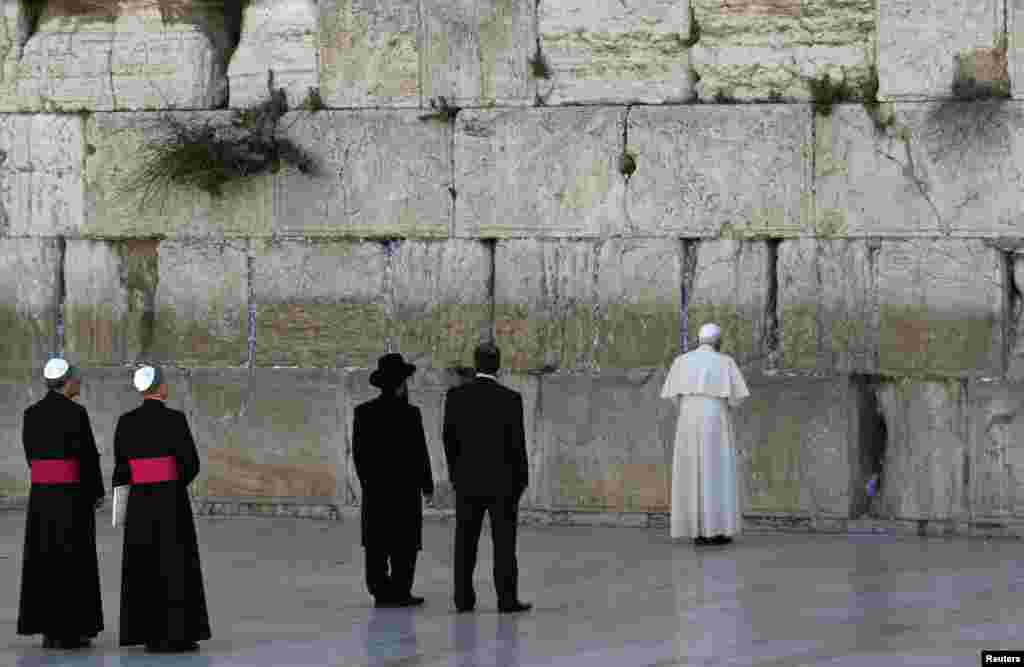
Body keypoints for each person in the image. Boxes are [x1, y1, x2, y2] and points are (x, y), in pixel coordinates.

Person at [112, 365, 211, 653]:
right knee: (175, 564)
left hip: (140, 503)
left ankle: (149, 633)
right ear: (160, 387)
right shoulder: (175, 419)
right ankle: (178, 633)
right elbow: (191, 464)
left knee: (144, 564)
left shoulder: (125, 422)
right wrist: (172, 484)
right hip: (170, 502)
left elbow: (121, 468)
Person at [17, 359, 104, 649]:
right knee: (72, 561)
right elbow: (88, 458)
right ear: (67, 382)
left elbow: (32, 457)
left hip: (42, 497)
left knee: (45, 560)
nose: (79, 383)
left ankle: (48, 629)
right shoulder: (77, 413)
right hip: (72, 497)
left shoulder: (31, 414)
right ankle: (72, 629)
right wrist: (96, 493)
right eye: (77, 379)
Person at [443, 342, 531, 614]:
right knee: (504, 545)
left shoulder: (456, 396)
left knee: (465, 543)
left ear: (476, 363)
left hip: (468, 482)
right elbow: (517, 445)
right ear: (498, 365)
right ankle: (506, 599)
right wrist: (521, 480)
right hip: (503, 485)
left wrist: (456, 475)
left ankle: (463, 599)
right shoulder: (511, 399)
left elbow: (449, 440)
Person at [353, 352, 434, 608]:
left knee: (377, 545)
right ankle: (400, 591)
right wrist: (427, 485)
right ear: (401, 384)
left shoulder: (363, 413)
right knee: (405, 545)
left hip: (376, 492)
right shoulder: (411, 415)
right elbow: (421, 454)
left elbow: (359, 456)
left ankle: (381, 591)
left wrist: (369, 483)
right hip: (405, 493)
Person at [661, 323, 750, 546]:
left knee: (692, 471)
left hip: (688, 419)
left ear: (698, 340)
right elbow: (737, 398)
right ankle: (717, 530)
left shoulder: (681, 362)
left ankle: (697, 530)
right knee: (716, 471)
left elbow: (673, 396)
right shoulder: (725, 361)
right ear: (718, 341)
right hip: (715, 418)